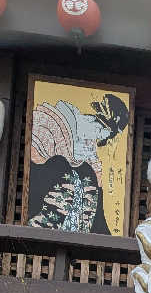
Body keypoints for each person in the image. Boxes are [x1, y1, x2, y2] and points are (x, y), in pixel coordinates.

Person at [27, 92, 129, 234]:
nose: (99, 137)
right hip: (43, 232)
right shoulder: (51, 146)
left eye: (104, 134)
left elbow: (98, 216)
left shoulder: (90, 169)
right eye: (99, 127)